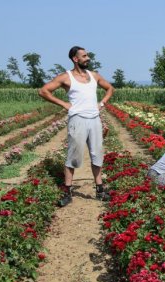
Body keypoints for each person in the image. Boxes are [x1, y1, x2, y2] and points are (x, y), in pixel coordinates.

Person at [38, 46, 114, 207]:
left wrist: (102, 103)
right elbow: (44, 91)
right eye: (84, 56)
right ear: (75, 59)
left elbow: (110, 88)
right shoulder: (66, 77)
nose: (88, 58)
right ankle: (67, 192)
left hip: (94, 119)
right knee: (74, 156)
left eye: (88, 56)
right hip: (77, 120)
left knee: (97, 154)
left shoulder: (93, 76)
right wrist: (64, 104)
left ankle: (100, 190)